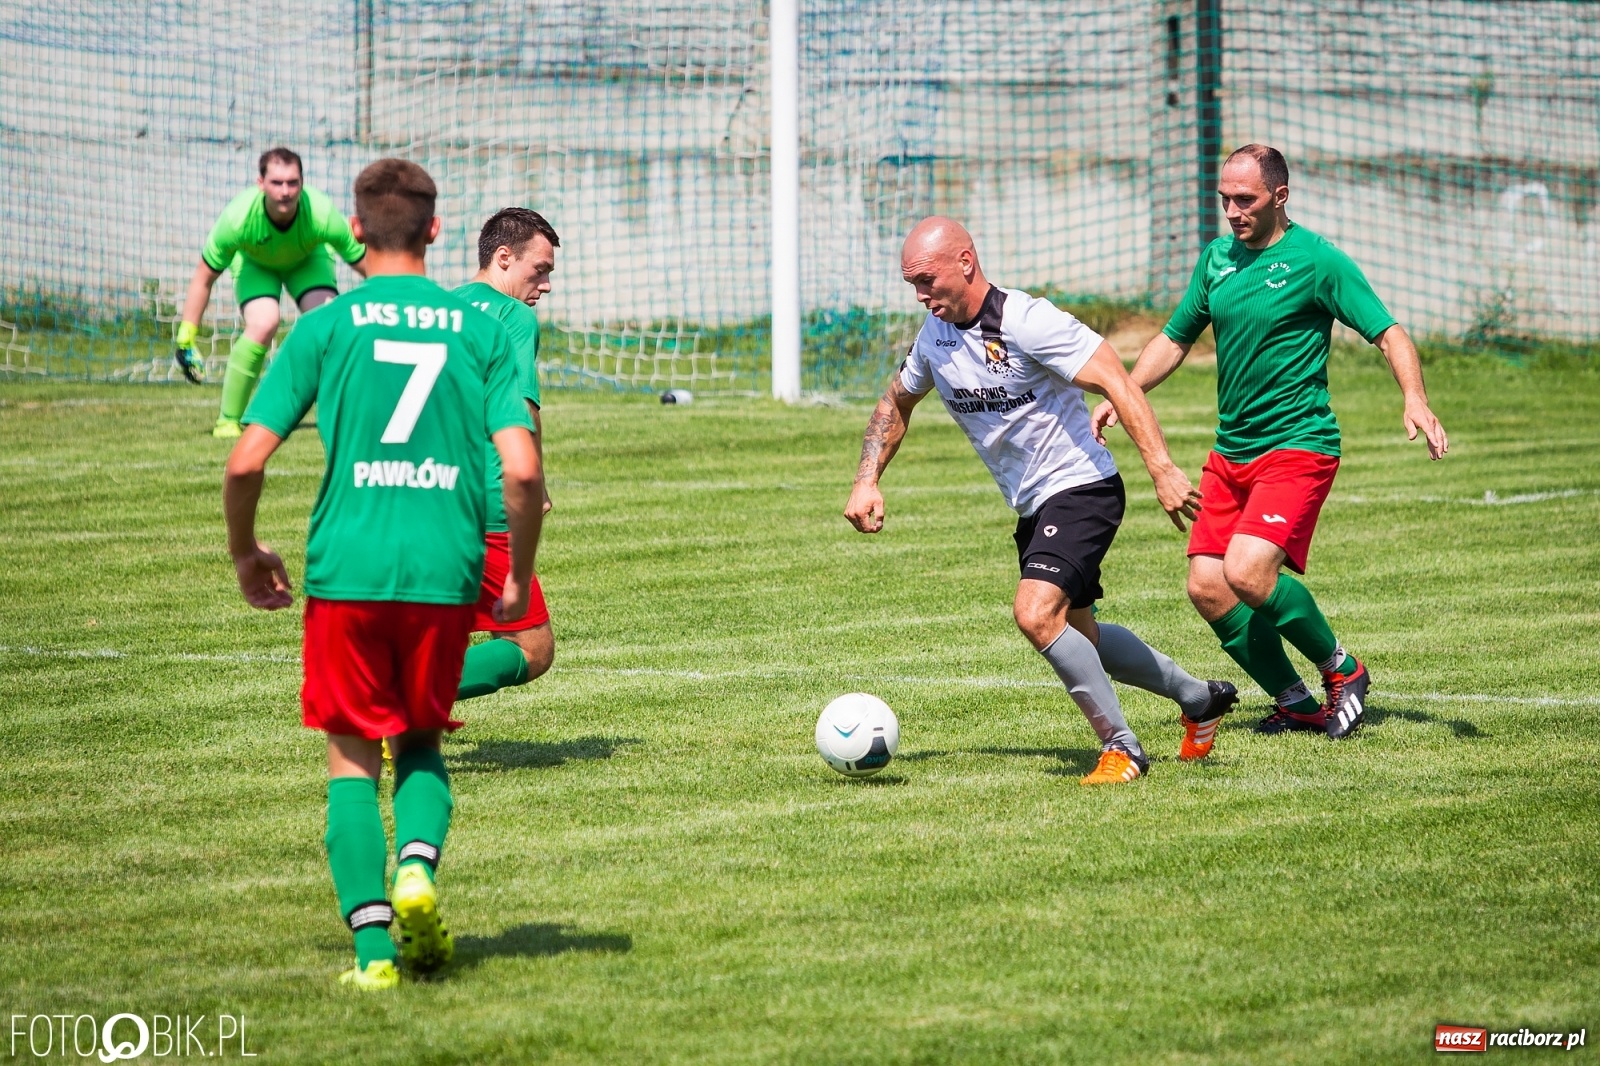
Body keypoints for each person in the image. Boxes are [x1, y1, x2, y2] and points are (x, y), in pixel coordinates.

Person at [221, 158, 543, 990]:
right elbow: (522, 473)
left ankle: (373, 956)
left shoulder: (325, 327)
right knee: (421, 741)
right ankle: (418, 873)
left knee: (352, 764)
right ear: (436, 232)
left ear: (353, 232)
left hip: (349, 567)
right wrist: (515, 578)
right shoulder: (484, 325)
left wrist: (246, 552)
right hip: (444, 563)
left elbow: (245, 462)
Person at [845, 216, 1237, 786]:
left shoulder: (1029, 321)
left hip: (1082, 488)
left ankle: (1122, 747)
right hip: (1033, 506)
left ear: (966, 262)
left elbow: (1118, 383)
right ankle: (1200, 699)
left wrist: (1163, 468)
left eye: (928, 280)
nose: (922, 295)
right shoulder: (935, 338)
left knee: (1034, 612)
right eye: (913, 285)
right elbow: (894, 404)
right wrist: (867, 479)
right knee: (1083, 636)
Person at [1091, 143, 1448, 740]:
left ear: (1280, 197)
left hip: (1298, 445)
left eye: (1246, 199)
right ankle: (1296, 702)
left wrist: (1415, 397)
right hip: (1232, 452)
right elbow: (1175, 339)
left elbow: (1389, 333)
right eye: (1225, 199)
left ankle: (1343, 669)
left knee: (1249, 573)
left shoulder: (1316, 261)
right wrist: (1123, 391)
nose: (1232, 211)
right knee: (1207, 588)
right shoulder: (1217, 259)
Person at [175, 147, 369, 439]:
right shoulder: (237, 219)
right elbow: (204, 276)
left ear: (302, 184)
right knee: (264, 323)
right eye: (277, 183)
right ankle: (228, 420)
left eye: (292, 182)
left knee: (328, 325)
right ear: (260, 183)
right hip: (256, 265)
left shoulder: (322, 213)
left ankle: (350, 414)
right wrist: (186, 334)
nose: (285, 191)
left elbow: (367, 264)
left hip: (308, 261)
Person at [452, 208, 560, 701]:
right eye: (540, 270)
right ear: (502, 258)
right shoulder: (513, 316)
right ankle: (406, 693)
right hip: (487, 504)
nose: (546, 286)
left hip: (422, 496)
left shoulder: (438, 308)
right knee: (531, 645)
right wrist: (533, 483)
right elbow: (521, 411)